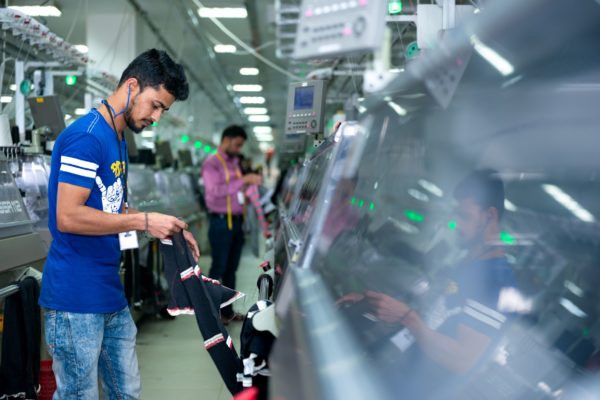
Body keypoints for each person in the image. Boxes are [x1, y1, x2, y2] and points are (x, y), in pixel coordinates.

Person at [39, 49, 199, 400]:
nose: (157, 116)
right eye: (156, 105)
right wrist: (143, 220)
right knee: (79, 395)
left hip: (109, 291)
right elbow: (67, 216)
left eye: (164, 110)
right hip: (75, 299)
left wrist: (165, 225)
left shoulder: (117, 137)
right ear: (131, 86)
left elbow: (111, 205)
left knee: (126, 392)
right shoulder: (88, 138)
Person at [338, 169, 517, 398]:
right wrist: (377, 303)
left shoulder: (496, 281)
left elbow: (462, 360)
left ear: (489, 216)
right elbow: (435, 317)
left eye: (464, 216)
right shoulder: (468, 262)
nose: (456, 224)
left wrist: (407, 317)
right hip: (389, 378)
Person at [202, 125, 262, 323]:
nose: (238, 149)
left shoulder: (234, 163)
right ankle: (210, 312)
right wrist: (243, 180)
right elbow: (215, 192)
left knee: (231, 270)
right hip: (220, 223)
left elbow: (235, 190)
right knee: (218, 268)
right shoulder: (212, 164)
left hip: (236, 222)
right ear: (226, 139)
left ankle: (226, 312)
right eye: (237, 145)